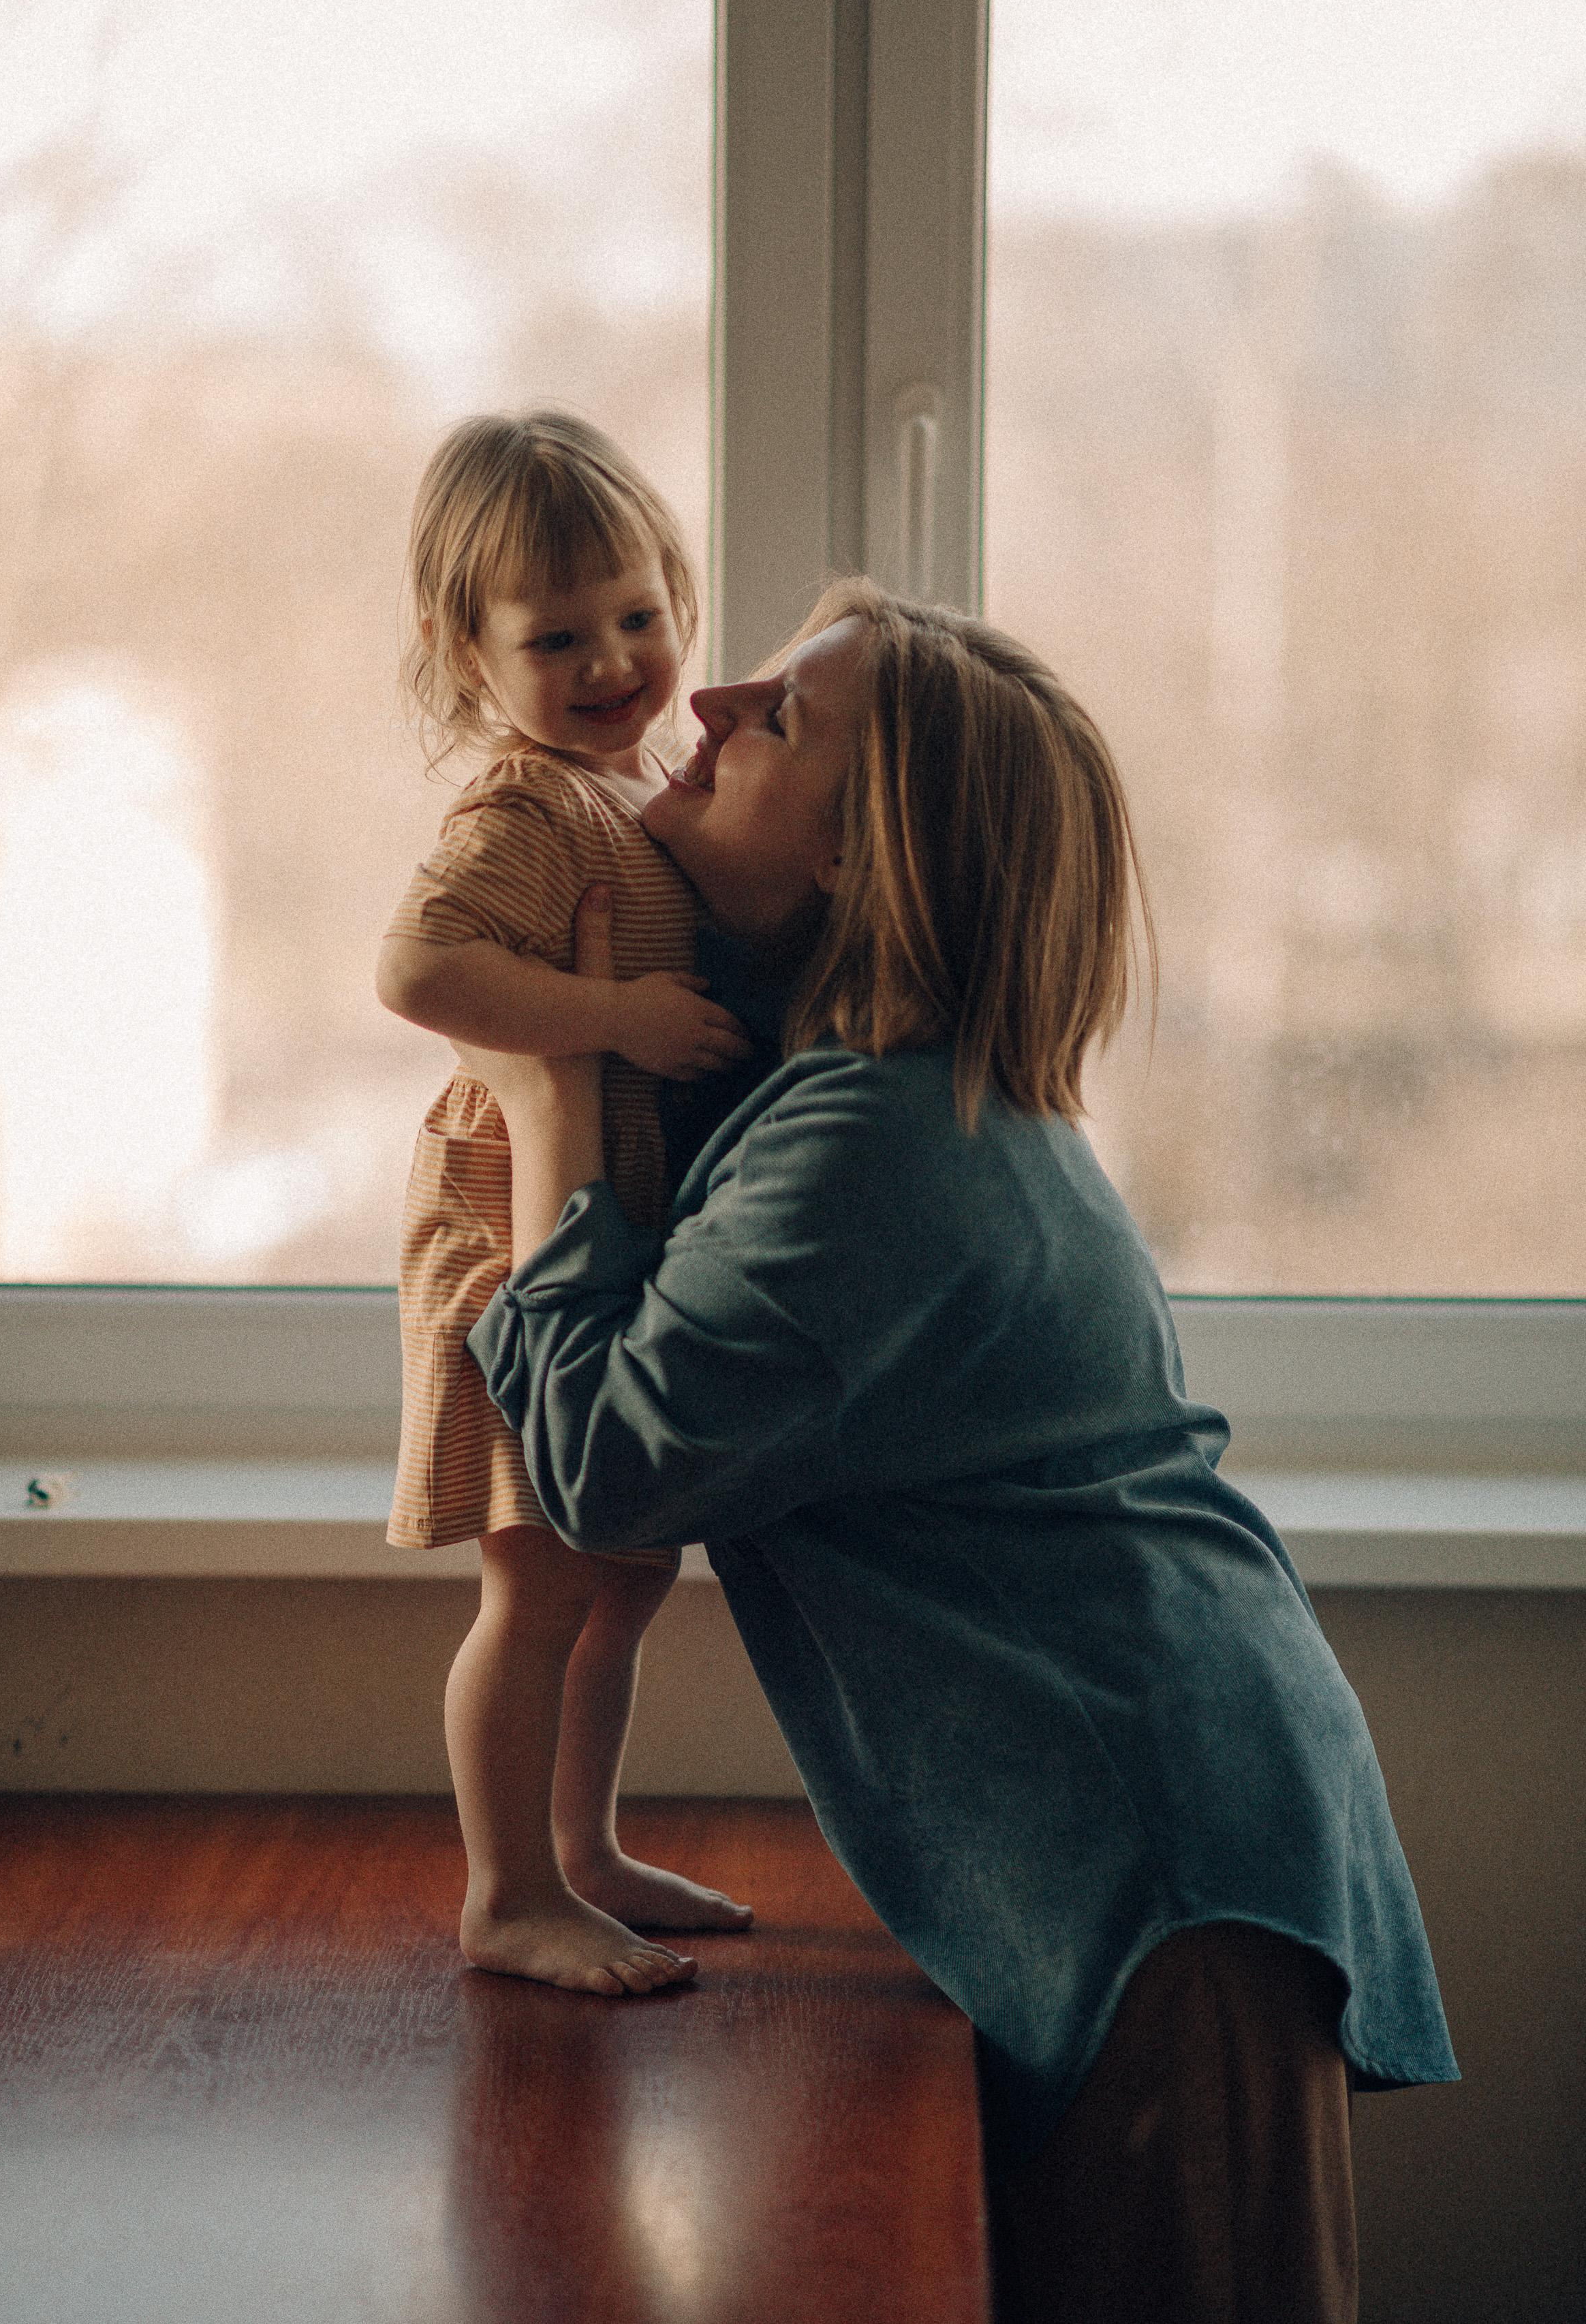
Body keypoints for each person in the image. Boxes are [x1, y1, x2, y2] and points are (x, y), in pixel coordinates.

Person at [452, 580, 1459, 2322]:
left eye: (783, 717)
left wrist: (544, 1088)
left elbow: (610, 1464)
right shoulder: (887, 1092)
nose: (709, 698)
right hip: (1183, 1828)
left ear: (862, 857)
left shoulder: (874, 1151)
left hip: (1162, 1881)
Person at [375, 411, 754, 1998]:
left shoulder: (638, 783)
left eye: (640, 617)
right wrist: (614, 1024)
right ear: (470, 654)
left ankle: (585, 1849)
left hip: (613, 1226)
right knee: (534, 1575)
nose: (613, 660)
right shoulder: (525, 807)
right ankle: (506, 1889)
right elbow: (418, 969)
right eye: (557, 637)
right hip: (510, 1239)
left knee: (630, 1566)